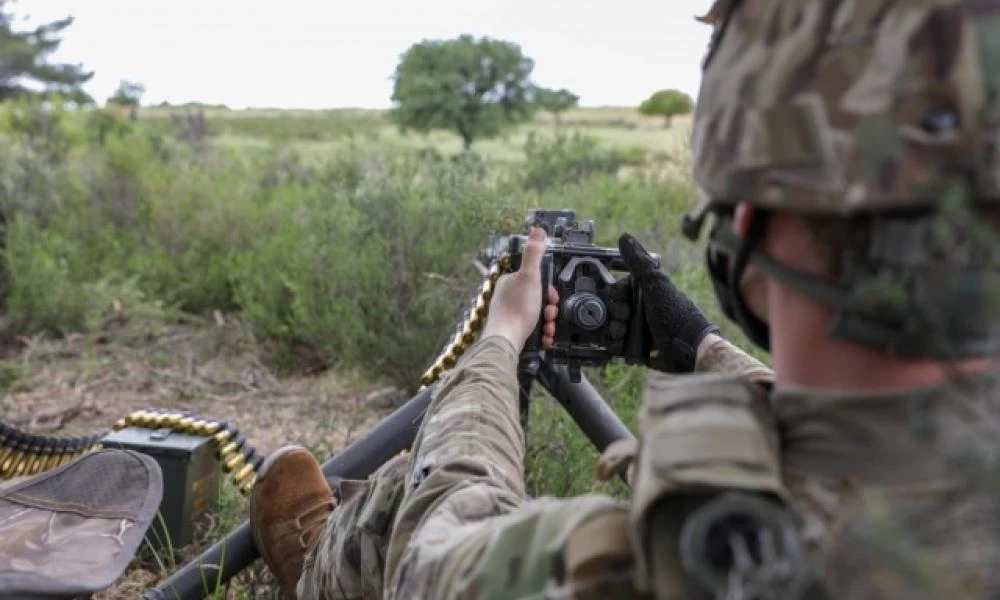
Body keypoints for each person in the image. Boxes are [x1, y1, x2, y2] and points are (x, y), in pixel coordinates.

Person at [249, 1, 1000, 598]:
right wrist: (701, 347)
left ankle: (318, 571)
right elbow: (853, 440)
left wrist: (498, 346)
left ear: (744, 236)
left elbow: (439, 549)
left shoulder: (655, 570)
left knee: (396, 507)